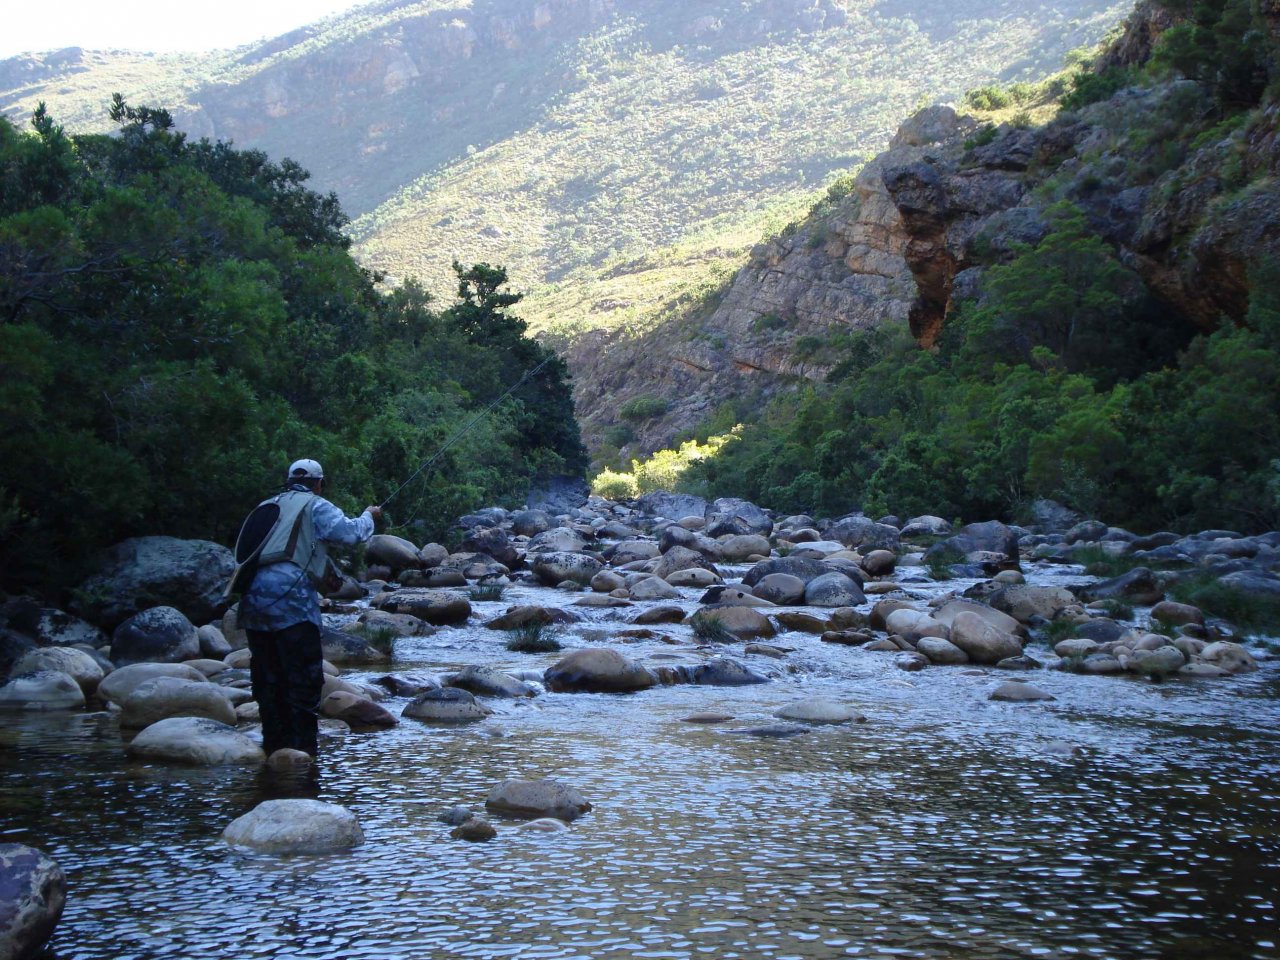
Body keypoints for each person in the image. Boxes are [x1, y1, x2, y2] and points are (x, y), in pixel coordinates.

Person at [237, 458, 381, 759]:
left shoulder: (267, 506)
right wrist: (369, 516)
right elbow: (351, 534)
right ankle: (302, 754)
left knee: (267, 677)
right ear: (319, 483)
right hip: (292, 604)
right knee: (302, 678)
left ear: (287, 479)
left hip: (252, 601)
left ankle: (273, 747)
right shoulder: (315, 505)